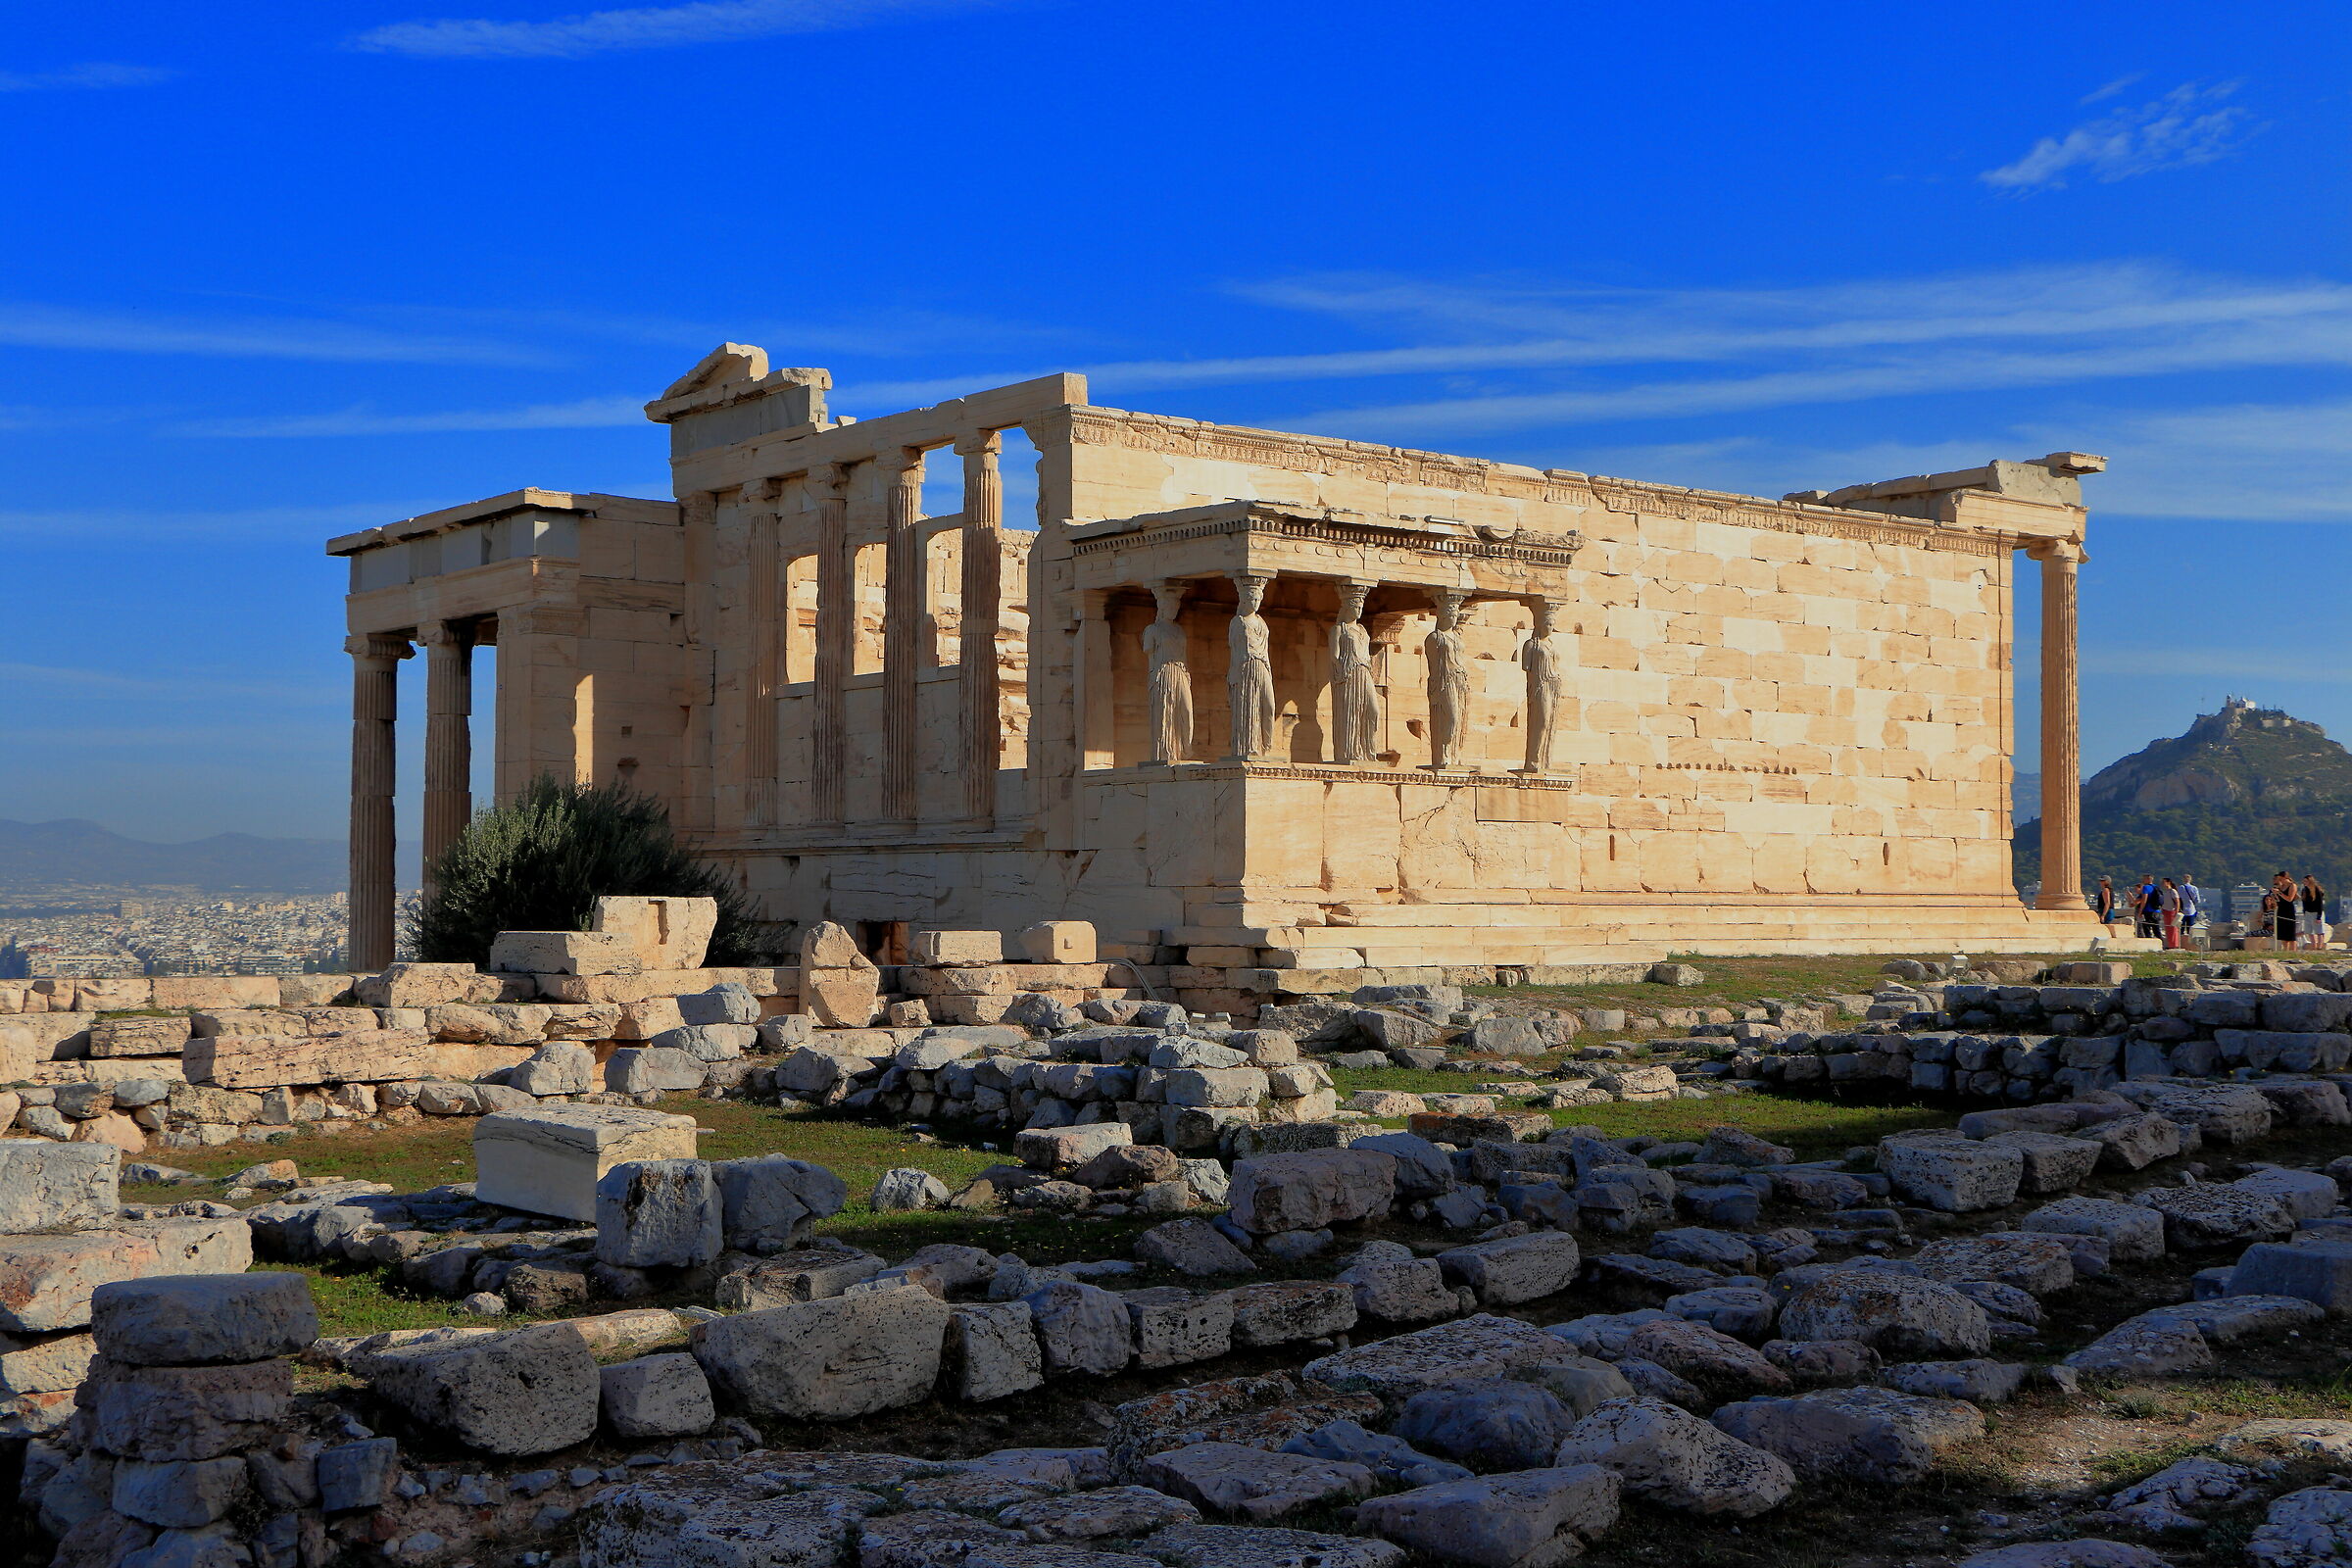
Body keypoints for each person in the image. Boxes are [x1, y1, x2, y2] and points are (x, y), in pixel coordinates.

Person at [2274, 872, 2300, 947]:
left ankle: (2293, 951)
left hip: (2289, 910)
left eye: (2280, 879)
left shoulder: (2292, 885)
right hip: (2281, 909)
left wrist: (2279, 892)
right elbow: (2279, 899)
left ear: (2285, 878)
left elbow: (2289, 899)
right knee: (2283, 934)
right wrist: (2275, 894)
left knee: (2290, 934)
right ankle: (2285, 950)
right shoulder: (2281, 886)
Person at [2303, 875, 2328, 951]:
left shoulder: (2317, 890)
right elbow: (2304, 902)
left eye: (2305, 881)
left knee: (2319, 931)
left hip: (2316, 912)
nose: (2304, 883)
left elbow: (2319, 904)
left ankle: (2319, 946)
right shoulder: (2304, 890)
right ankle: (2313, 945)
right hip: (2308, 912)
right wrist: (2304, 912)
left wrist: (2319, 916)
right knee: (2309, 931)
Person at [2157, 876, 2182, 949]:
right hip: (2165, 911)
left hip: (2172, 911)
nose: (2162, 884)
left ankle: (2174, 945)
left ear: (2168, 882)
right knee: (2168, 929)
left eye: (2163, 882)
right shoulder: (2165, 892)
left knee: (2173, 929)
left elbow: (2177, 902)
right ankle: (2170, 944)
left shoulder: (2173, 891)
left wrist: (2176, 912)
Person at [2134, 874, 2161, 940]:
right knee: (2156, 929)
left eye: (2144, 879)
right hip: (2156, 910)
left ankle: (2149, 942)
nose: (2143, 880)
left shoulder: (2146, 887)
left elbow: (2144, 900)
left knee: (2147, 928)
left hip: (2148, 910)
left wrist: (2140, 911)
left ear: (2148, 879)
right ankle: (2161, 943)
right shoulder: (2156, 887)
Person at [2179, 875, 2202, 944]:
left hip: (2182, 910)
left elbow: (2178, 898)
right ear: (2190, 880)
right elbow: (2197, 900)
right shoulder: (2194, 888)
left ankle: (2181, 943)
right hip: (2191, 909)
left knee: (2181, 928)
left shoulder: (2180, 888)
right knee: (2190, 928)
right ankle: (2190, 943)